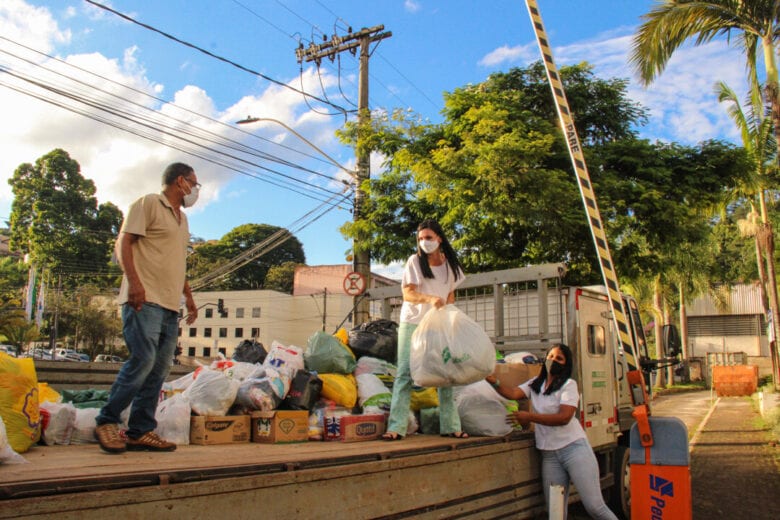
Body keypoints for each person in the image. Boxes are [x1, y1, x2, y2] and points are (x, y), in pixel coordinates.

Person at [94, 162, 200, 454]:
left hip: (169, 304)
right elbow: (123, 243)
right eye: (194, 182)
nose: (196, 189)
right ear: (181, 181)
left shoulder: (183, 220)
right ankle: (107, 420)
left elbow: (176, 263)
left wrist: (188, 297)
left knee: (160, 368)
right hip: (144, 299)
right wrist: (134, 283)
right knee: (143, 360)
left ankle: (140, 431)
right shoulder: (149, 203)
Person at [486, 344, 618, 520]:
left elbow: (564, 417)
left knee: (595, 507)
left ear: (566, 364)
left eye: (559, 359)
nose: (553, 360)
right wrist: (492, 380)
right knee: (555, 513)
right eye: (551, 356)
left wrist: (530, 417)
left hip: (574, 450)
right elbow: (512, 393)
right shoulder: (535, 383)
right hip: (549, 455)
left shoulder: (568, 385)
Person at [382, 219, 467, 440]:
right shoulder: (415, 262)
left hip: (438, 325)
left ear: (439, 238)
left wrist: (448, 313)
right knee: (404, 373)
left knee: (445, 374)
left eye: (428, 238)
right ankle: (396, 427)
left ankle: (451, 426)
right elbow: (407, 293)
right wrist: (429, 298)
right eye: (420, 239)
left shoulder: (451, 266)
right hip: (413, 323)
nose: (424, 242)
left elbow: (450, 294)